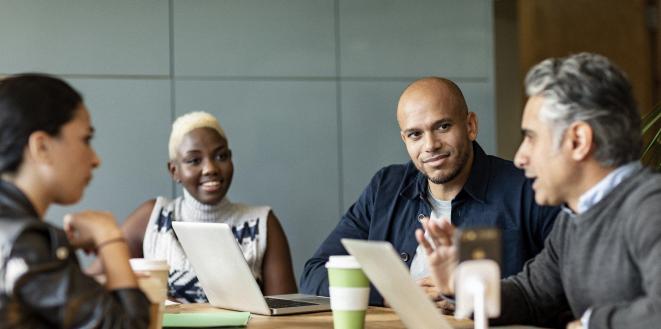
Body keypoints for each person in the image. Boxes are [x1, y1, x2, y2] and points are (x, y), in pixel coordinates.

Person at [419, 53, 661, 329]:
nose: (520, 158)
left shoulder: (651, 206)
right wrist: (462, 285)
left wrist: (591, 324)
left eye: (531, 138)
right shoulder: (574, 219)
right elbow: (530, 297)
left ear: (578, 140)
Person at [300, 77, 559, 306]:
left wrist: (467, 295)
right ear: (405, 140)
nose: (431, 145)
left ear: (470, 126)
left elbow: (564, 287)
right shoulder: (385, 188)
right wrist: (394, 294)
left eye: (443, 127)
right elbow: (314, 275)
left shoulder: (529, 188)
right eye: (415, 134)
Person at [0, 73, 150, 327]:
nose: (95, 159)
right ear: (42, 147)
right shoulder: (27, 244)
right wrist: (110, 237)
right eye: (86, 139)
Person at [117, 111, 297, 303]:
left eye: (221, 156)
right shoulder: (152, 217)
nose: (211, 168)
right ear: (174, 170)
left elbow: (285, 316)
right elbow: (100, 282)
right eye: (194, 160)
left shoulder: (262, 223)